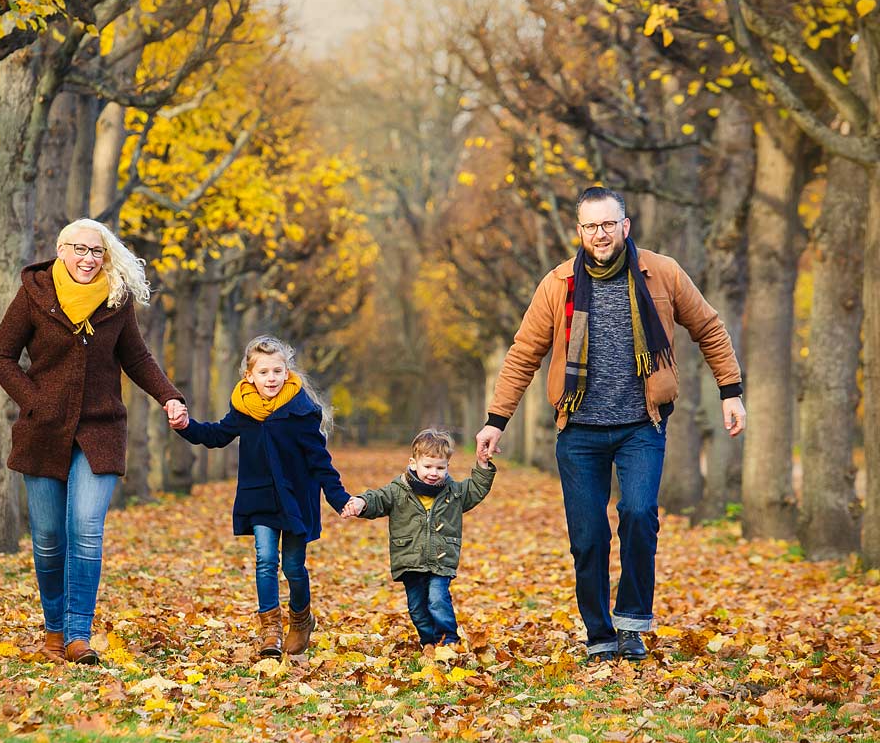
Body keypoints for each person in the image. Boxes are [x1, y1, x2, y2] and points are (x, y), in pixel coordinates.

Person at [474, 187, 746, 663]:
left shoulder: (662, 273)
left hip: (642, 424)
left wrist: (730, 391)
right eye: (590, 226)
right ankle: (599, 632)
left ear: (625, 226)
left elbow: (708, 326)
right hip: (578, 430)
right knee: (589, 538)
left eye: (608, 224)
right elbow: (523, 354)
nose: (600, 234)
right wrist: (497, 420)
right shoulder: (558, 284)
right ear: (579, 231)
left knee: (639, 515)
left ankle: (633, 623)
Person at [0, 218, 187, 665]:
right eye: (79, 249)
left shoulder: (116, 299)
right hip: (43, 430)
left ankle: (79, 635)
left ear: (105, 256)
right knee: (47, 538)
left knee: (86, 530)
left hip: (100, 429)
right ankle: (54, 631)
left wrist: (169, 397)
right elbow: (1, 356)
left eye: (96, 251)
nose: (87, 258)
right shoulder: (35, 293)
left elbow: (137, 358)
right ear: (61, 251)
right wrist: (34, 401)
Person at [170, 335, 351, 658]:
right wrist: (186, 426)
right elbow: (216, 435)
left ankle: (301, 619)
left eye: (277, 371)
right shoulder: (243, 410)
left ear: (286, 372)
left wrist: (340, 499)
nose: (271, 378)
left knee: (293, 567)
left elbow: (320, 462)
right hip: (260, 498)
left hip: (296, 500)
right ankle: (271, 630)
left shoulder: (301, 411)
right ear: (249, 376)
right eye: (264, 372)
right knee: (265, 560)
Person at [342, 429, 496, 659]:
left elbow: (476, 488)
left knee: (437, 599)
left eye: (440, 468)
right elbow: (378, 499)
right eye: (428, 466)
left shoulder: (454, 493)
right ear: (413, 463)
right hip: (409, 559)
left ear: (447, 466)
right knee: (417, 607)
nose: (434, 473)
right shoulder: (398, 490)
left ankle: (449, 639)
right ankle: (428, 641)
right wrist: (362, 503)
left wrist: (483, 465)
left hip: (441, 559)